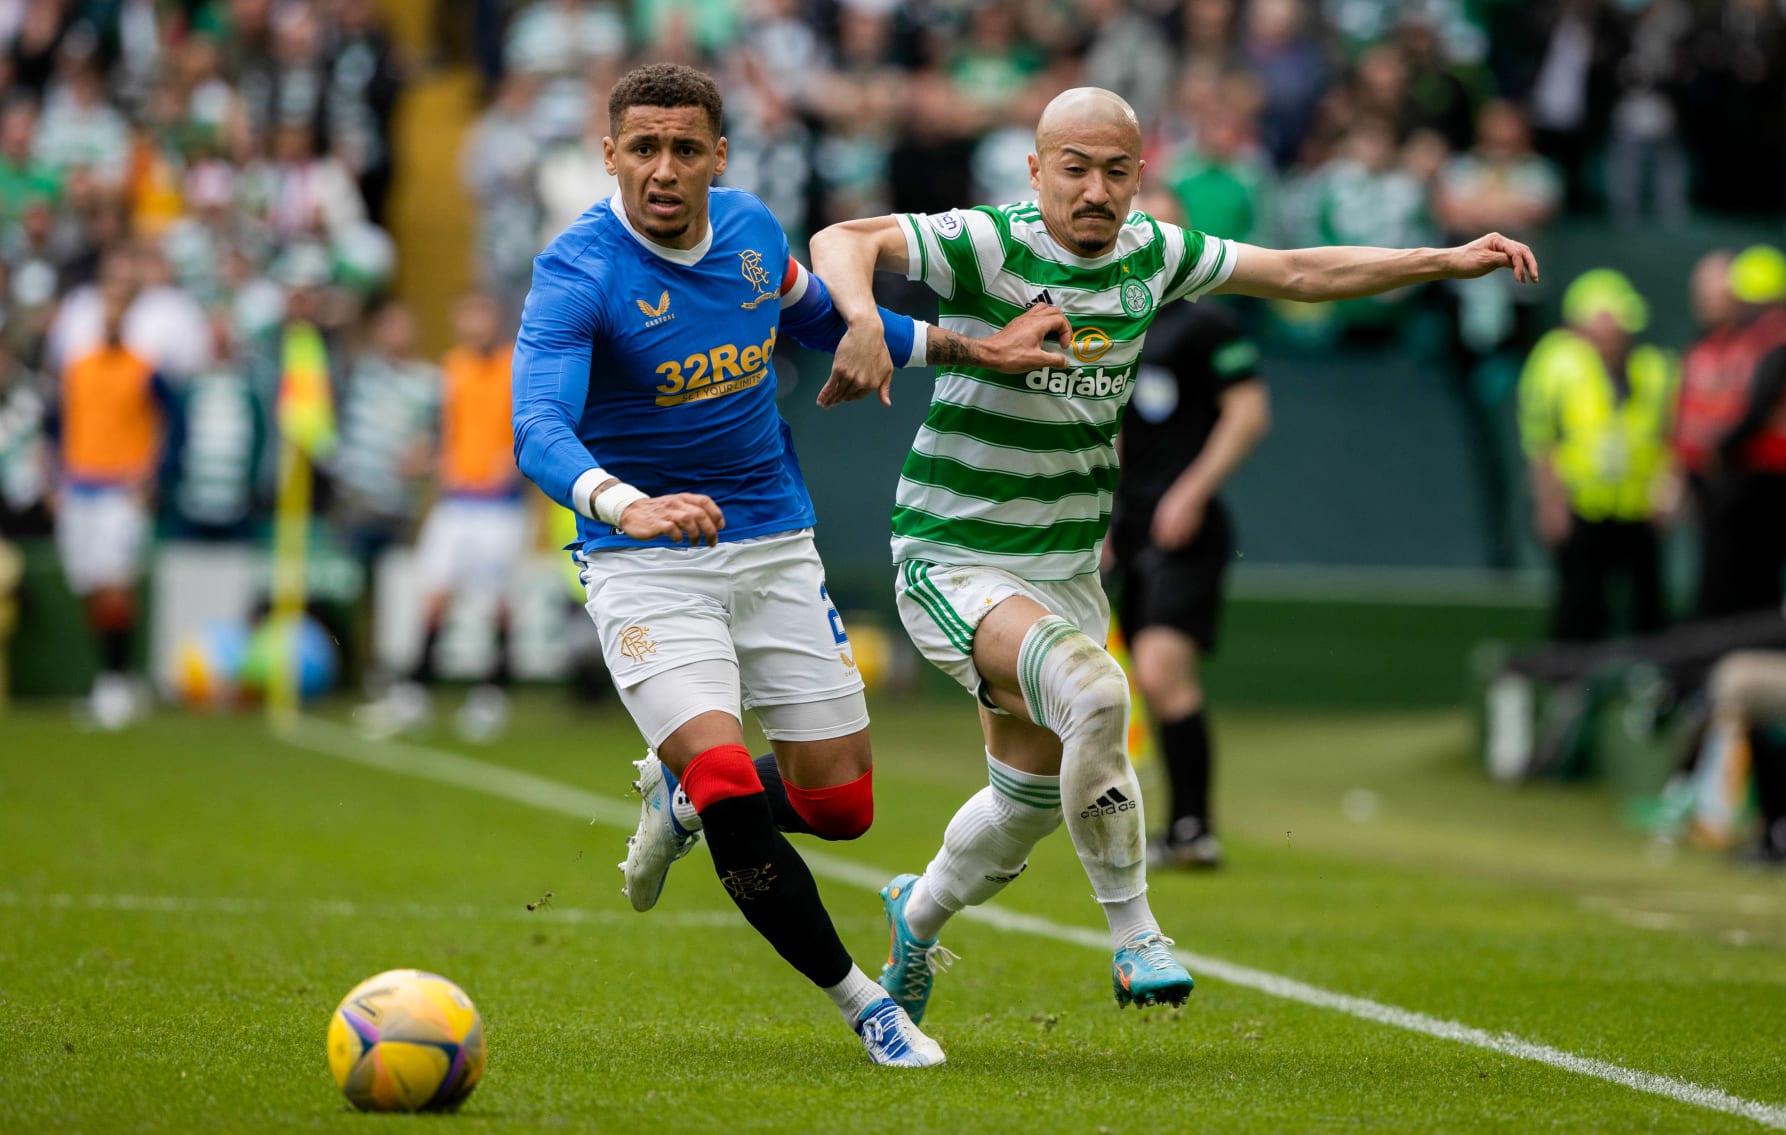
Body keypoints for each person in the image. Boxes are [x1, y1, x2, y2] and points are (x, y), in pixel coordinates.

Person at [806, 85, 1537, 1024]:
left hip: (1065, 569)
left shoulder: (1156, 253)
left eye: (1116, 171)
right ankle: (1137, 934)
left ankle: (917, 915)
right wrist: (863, 316)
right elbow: (842, 240)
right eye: (1074, 168)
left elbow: (1302, 273)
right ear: (1036, 171)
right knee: (1104, 692)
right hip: (954, 554)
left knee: (1026, 800)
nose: (1096, 189)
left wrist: (1441, 258)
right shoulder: (991, 241)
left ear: (1140, 176)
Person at [509, 63, 1069, 1069]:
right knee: (729, 778)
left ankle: (677, 801)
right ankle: (867, 1005)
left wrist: (982, 349)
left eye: (687, 148)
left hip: (772, 543)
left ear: (721, 156)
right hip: (644, 560)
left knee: (839, 807)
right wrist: (626, 503)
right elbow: (538, 425)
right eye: (644, 148)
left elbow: (823, 320)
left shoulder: (755, 231)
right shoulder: (578, 271)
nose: (665, 169)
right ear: (610, 157)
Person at [1108, 187, 1270, 871]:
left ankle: (1196, 826)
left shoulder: (1208, 324)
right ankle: (1176, 828)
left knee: (1162, 665)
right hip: (1130, 523)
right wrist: (1103, 512)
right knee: (1137, 678)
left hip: (1187, 523)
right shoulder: (1111, 319)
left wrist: (1192, 490)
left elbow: (1250, 413)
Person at [359, 292, 522, 744]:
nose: (475, 326)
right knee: (434, 595)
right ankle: (415, 692)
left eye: (482, 316)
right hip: (456, 501)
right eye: (468, 317)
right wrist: (424, 459)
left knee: (498, 602)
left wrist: (515, 459)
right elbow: (444, 430)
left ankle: (492, 695)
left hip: (499, 506)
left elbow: (534, 424)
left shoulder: (516, 364)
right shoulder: (453, 369)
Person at [1518, 269, 1675, 643]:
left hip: (1636, 507)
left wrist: (1666, 489)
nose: (1621, 331)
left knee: (1647, 606)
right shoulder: (1556, 363)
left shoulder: (1653, 367)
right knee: (1580, 603)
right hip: (1581, 505)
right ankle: (1571, 690)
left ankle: (1650, 689)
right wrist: (1550, 501)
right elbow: (1541, 439)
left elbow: (1668, 436)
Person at [51, 277, 171, 729]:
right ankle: (114, 678)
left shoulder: (144, 368)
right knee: (87, 586)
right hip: (79, 487)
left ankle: (117, 682)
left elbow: (170, 421)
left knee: (114, 585)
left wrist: (151, 473)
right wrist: (54, 478)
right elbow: (56, 424)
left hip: (120, 490)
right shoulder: (77, 367)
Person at [1678, 247, 1786, 619]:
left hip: (1771, 475)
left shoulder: (1779, 335)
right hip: (1758, 472)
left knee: (1747, 574)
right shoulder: (1760, 337)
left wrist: (1721, 449)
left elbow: (1759, 404)